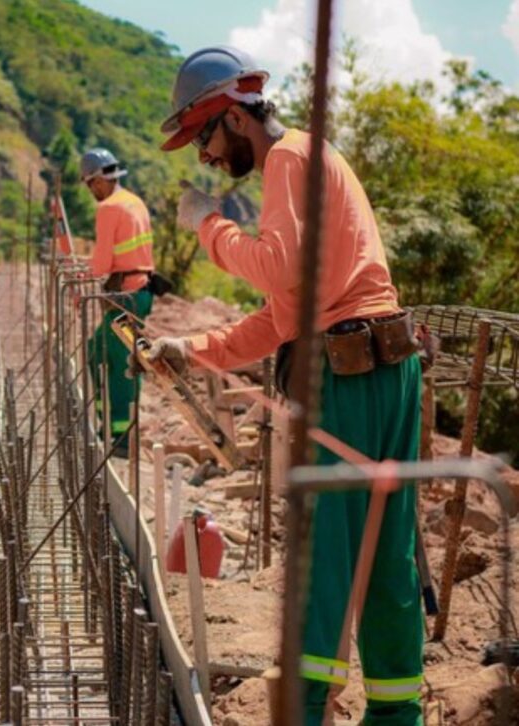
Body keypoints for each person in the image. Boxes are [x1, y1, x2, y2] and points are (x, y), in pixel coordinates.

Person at [155, 46, 423, 725]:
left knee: (324, 553)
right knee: (385, 552)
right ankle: (397, 714)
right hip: (389, 367)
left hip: (345, 377)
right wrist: (193, 349)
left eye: (204, 140)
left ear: (232, 116)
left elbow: (276, 271)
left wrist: (209, 225)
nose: (206, 159)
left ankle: (302, 709)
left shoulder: (286, 160)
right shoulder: (313, 157)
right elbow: (285, 313)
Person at [81, 147, 156, 453]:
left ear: (98, 180)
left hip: (127, 296)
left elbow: (101, 263)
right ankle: (110, 422)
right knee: (98, 353)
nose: (91, 192)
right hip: (139, 293)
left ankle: (122, 435)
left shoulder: (109, 208)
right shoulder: (134, 202)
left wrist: (83, 275)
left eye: (90, 185)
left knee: (121, 362)